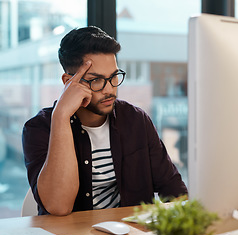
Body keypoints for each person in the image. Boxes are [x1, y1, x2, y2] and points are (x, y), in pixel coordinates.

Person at [22, 26, 188, 216]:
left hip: (130, 234)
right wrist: (61, 116)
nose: (109, 89)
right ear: (69, 82)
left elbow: (173, 188)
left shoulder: (136, 120)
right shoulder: (38, 128)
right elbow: (59, 207)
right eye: (96, 80)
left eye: (113, 77)